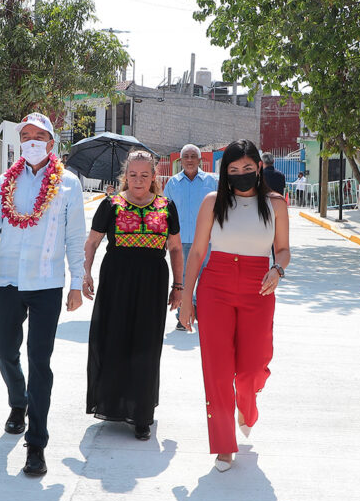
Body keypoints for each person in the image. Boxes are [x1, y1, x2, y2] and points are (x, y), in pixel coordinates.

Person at [0, 112, 87, 477]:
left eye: (40, 135)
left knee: (40, 361)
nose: (32, 141)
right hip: (7, 278)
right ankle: (17, 401)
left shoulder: (69, 184)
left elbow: (74, 238)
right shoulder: (5, 181)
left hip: (46, 283)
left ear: (52, 143)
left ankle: (36, 444)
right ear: (19, 141)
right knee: (4, 350)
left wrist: (75, 282)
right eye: (26, 135)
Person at [179, 139, 289, 472]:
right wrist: (187, 299)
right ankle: (224, 445)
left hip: (259, 287)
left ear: (259, 168)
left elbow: (283, 250)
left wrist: (278, 268)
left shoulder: (276, 204)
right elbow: (197, 252)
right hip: (216, 288)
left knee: (253, 367)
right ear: (225, 172)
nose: (241, 174)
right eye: (233, 169)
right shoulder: (213, 202)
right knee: (217, 369)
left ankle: (248, 403)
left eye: (247, 168)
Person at [83, 150, 184, 440]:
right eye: (132, 175)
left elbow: (175, 249)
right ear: (125, 176)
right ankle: (112, 403)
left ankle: (142, 414)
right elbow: (92, 243)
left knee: (147, 344)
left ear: (154, 177)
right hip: (116, 279)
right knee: (113, 338)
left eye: (144, 175)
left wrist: (179, 287)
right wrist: (86, 274)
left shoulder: (167, 206)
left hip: (152, 281)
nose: (138, 181)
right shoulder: (111, 204)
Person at [163, 144, 217, 331]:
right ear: (181, 160)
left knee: (204, 280)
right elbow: (164, 212)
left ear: (200, 160)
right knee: (183, 280)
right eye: (186, 156)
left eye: (194, 156)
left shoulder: (211, 182)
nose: (190, 160)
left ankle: (200, 314)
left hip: (206, 241)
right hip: (180, 240)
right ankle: (182, 317)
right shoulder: (172, 183)